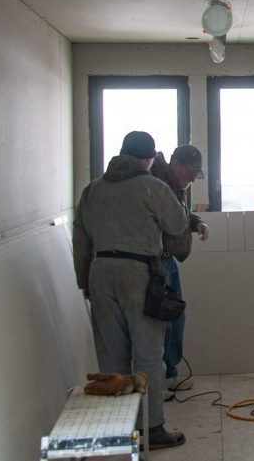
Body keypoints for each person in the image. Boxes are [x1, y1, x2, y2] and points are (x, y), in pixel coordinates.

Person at [72, 131, 190, 450]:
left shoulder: (92, 190)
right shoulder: (152, 186)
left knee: (111, 354)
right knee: (149, 352)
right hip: (138, 271)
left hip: (99, 271)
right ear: (149, 159)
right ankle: (152, 430)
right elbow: (178, 226)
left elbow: (80, 239)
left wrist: (84, 281)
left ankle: (120, 431)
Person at [148, 144, 210, 394]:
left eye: (195, 175)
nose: (191, 180)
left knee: (176, 315)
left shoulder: (174, 183)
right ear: (174, 164)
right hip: (153, 261)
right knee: (162, 319)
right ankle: (161, 377)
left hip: (168, 259)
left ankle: (170, 373)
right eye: (189, 173)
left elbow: (180, 214)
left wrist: (197, 222)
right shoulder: (155, 183)